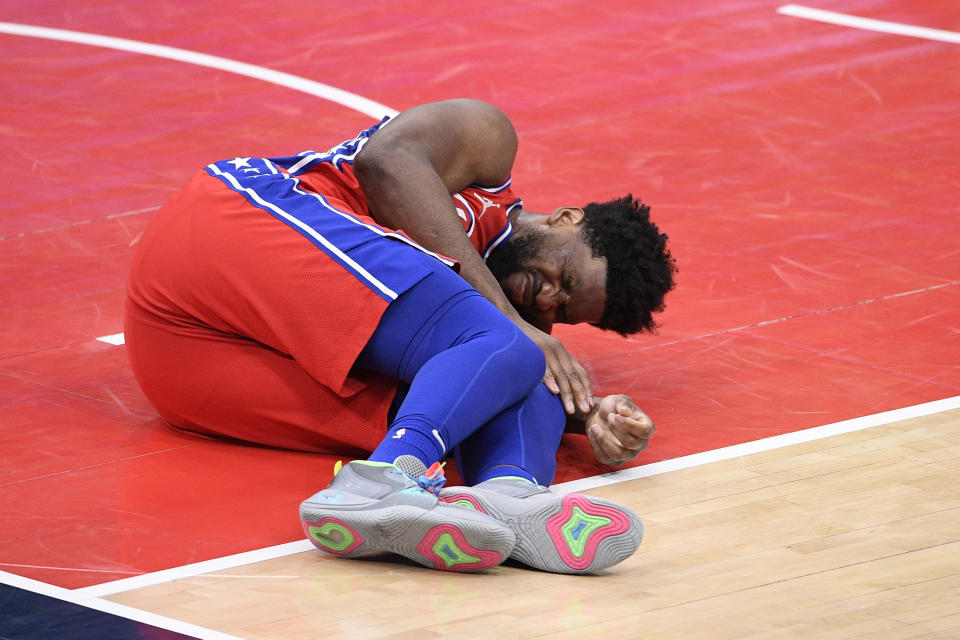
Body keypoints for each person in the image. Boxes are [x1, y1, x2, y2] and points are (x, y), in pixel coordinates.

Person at [125, 99, 676, 574]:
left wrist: (587, 414)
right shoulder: (489, 148)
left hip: (189, 366)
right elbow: (385, 159)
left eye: (565, 309)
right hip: (228, 230)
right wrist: (513, 325)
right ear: (566, 220)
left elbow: (494, 370)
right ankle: (382, 482)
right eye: (567, 277)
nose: (548, 298)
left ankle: (509, 495)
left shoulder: (499, 321)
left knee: (518, 373)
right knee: (508, 347)